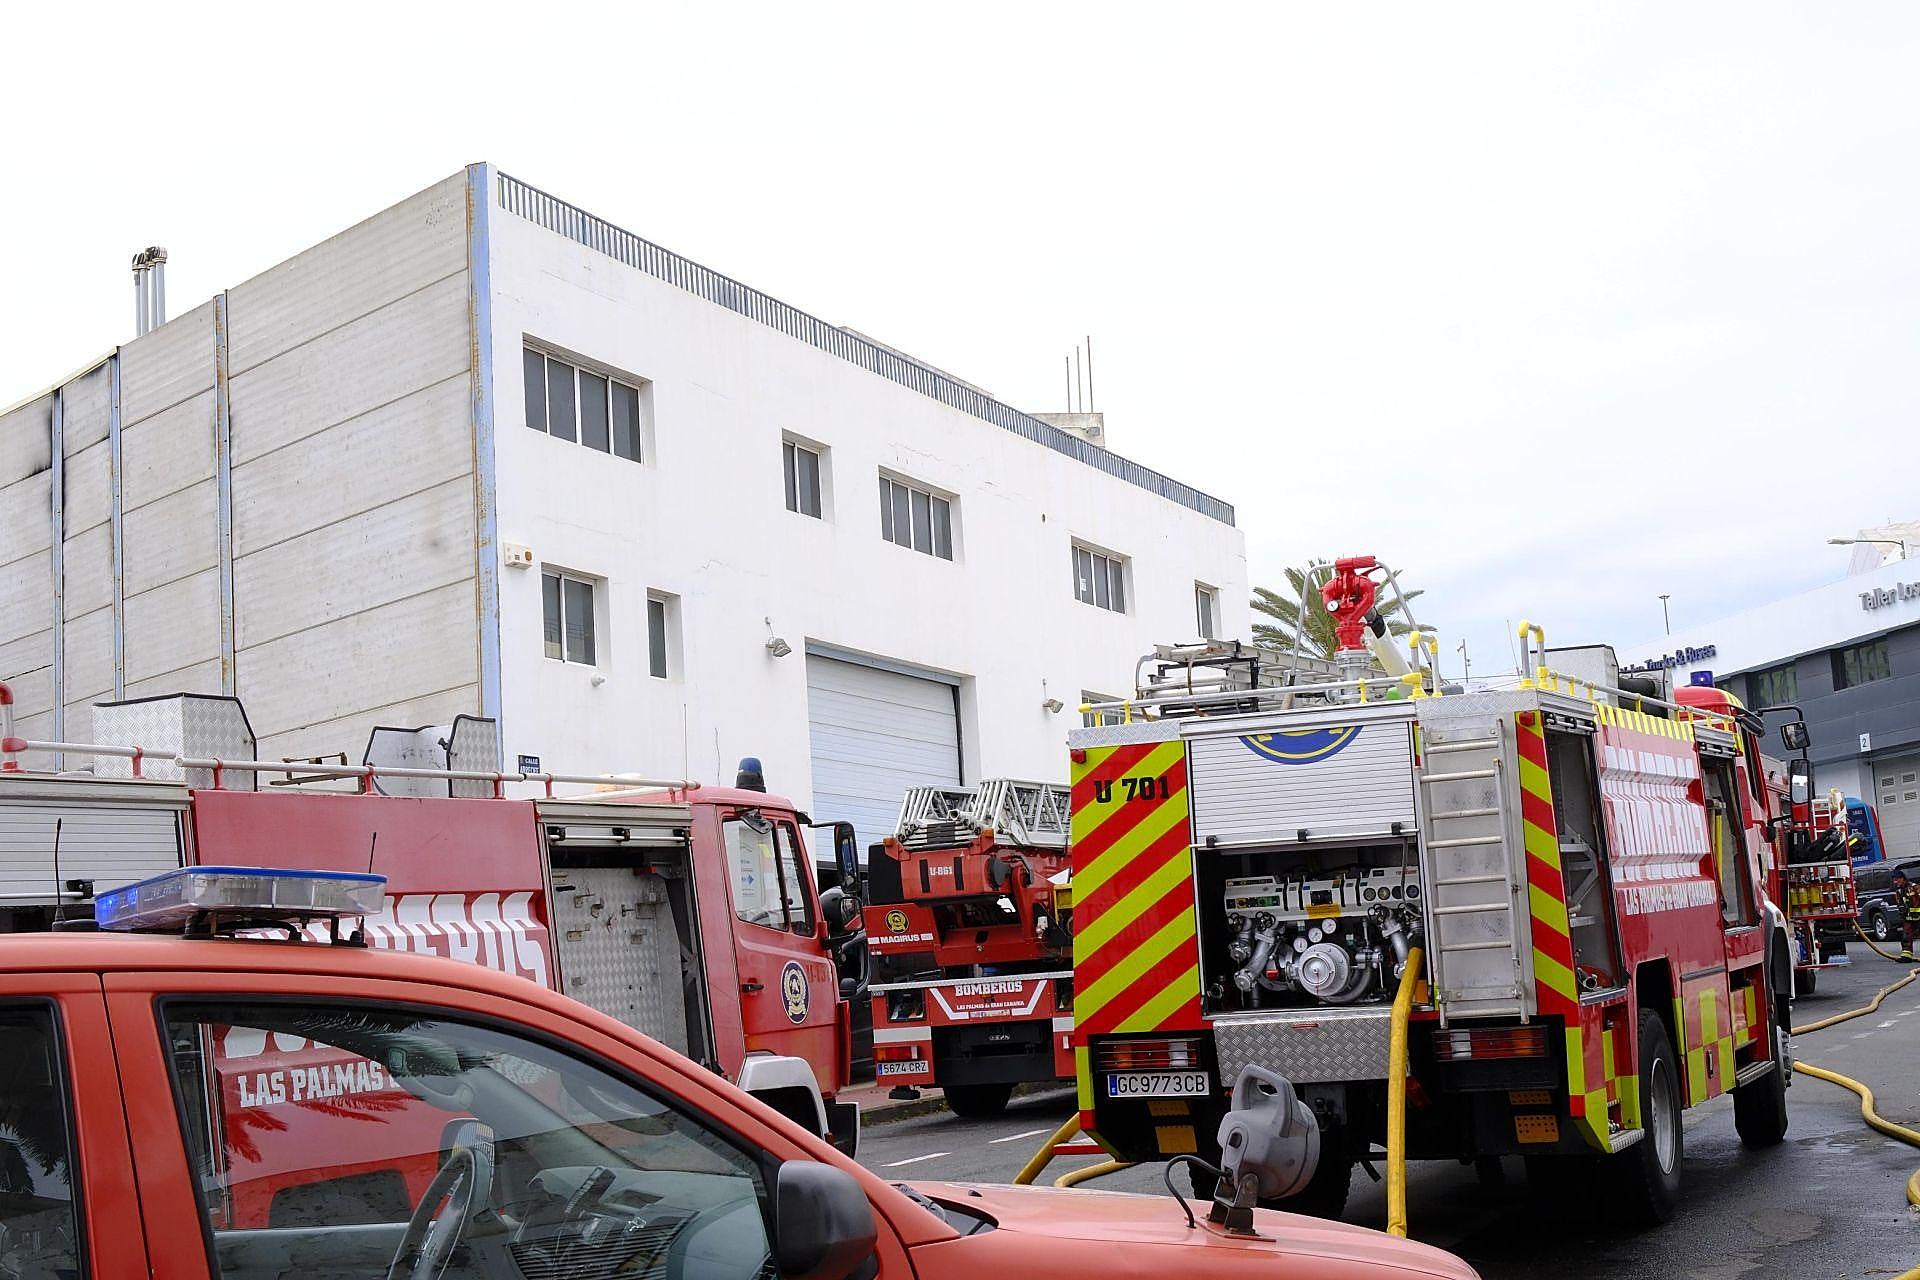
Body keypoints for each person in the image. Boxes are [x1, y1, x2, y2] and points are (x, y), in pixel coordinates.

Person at [1895, 869, 1920, 962]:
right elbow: (1899, 903)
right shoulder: (1899, 892)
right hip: (1908, 918)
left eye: (1897, 879)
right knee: (1906, 936)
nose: (1896, 882)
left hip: (1919, 917)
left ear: (1903, 879)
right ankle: (1906, 956)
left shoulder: (1915, 887)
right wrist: (1901, 909)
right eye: (1895, 880)